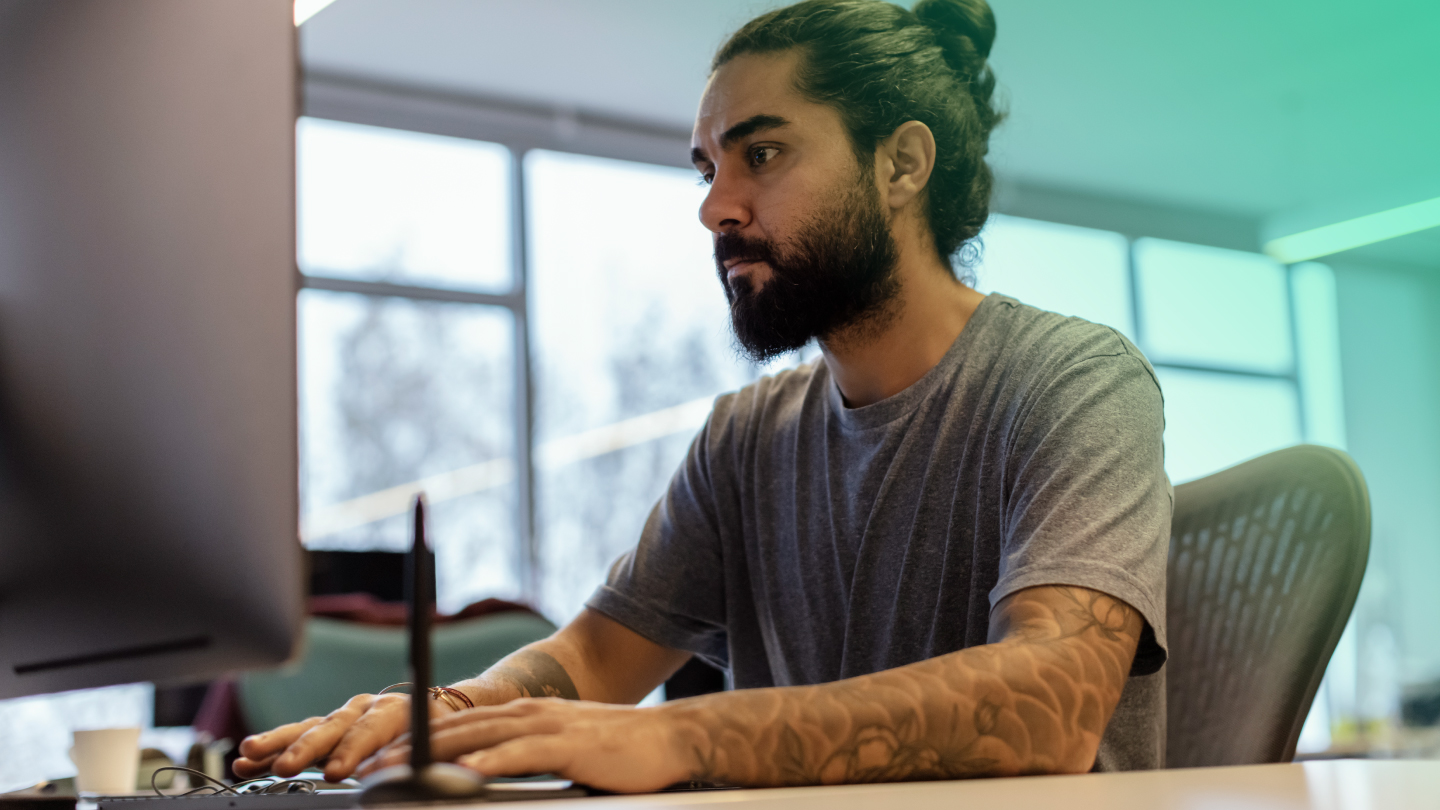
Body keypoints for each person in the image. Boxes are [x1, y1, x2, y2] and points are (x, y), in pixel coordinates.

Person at [236, 0, 1169, 792]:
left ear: (902, 166)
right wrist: (447, 713)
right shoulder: (748, 436)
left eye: (760, 155)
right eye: (706, 167)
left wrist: (674, 736)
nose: (714, 206)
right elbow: (597, 658)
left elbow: (1052, 705)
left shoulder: (1074, 380)